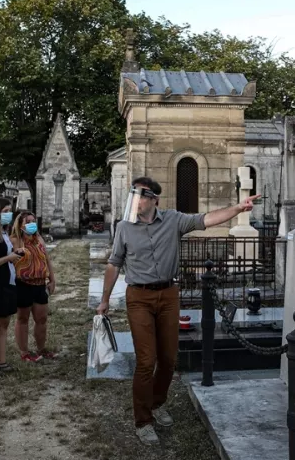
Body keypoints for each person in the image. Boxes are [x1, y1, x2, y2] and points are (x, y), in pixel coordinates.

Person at [98, 176, 259, 445]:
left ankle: (158, 403)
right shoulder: (125, 227)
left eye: (141, 196)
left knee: (169, 359)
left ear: (154, 200)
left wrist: (238, 208)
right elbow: (114, 264)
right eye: (133, 196)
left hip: (169, 295)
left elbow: (206, 219)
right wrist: (104, 300)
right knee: (146, 361)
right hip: (138, 296)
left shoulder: (173, 220)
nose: (136, 201)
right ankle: (143, 420)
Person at [10, 210, 56, 361]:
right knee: (23, 318)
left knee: (41, 318)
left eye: (33, 221)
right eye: (28, 222)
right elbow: (10, 259)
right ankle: (24, 352)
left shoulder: (39, 239)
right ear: (20, 225)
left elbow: (47, 260)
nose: (31, 224)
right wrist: (17, 252)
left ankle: (41, 349)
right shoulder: (15, 240)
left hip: (40, 284)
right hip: (23, 284)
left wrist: (52, 279)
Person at [0, 198, 22, 380]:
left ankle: (2, 362)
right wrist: (8, 258)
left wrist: (15, 255)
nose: (9, 214)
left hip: (8, 284)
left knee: (4, 325)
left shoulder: (4, 233)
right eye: (6, 210)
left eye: (10, 210)